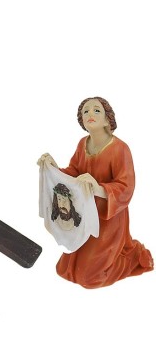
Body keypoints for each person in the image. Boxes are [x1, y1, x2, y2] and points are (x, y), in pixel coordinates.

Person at [38, 96, 153, 288]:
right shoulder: (83, 144)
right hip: (86, 213)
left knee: (89, 278)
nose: (90, 113)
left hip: (109, 220)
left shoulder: (120, 149)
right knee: (64, 270)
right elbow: (74, 172)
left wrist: (99, 189)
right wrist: (53, 168)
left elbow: (126, 187)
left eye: (96, 110)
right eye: (85, 111)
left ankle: (132, 258)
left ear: (108, 119)